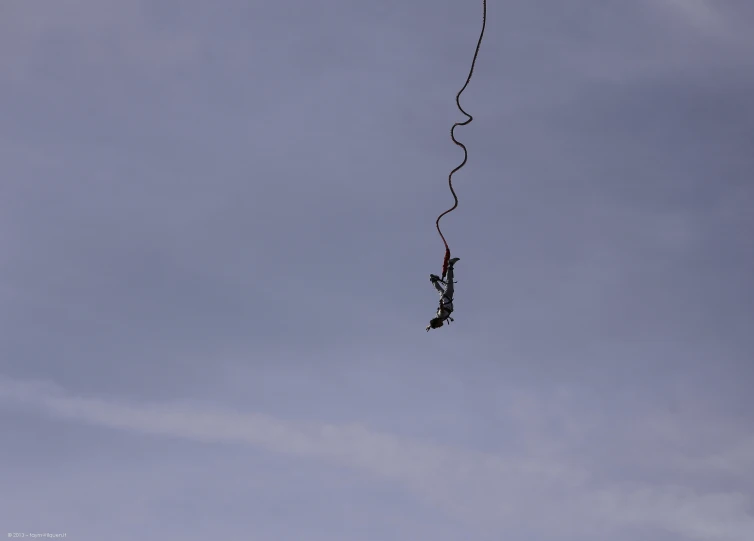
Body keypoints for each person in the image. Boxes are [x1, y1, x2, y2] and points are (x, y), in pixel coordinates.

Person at [426, 257, 460, 331]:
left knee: (449, 282)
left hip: (447, 297)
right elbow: (433, 321)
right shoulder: (439, 317)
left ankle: (450, 265)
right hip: (444, 298)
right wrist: (429, 326)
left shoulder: (441, 315)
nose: (440, 326)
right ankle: (433, 280)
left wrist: (441, 304)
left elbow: (441, 309)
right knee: (440, 290)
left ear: (437, 322)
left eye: (438, 326)